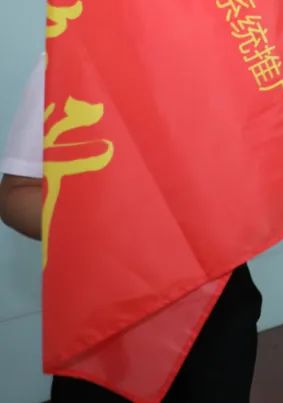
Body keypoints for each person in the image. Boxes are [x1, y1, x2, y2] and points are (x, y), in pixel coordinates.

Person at [0, 55, 263, 403]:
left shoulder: (228, 56)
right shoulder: (72, 56)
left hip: (216, 304)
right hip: (109, 322)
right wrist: (117, 223)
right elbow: (15, 195)